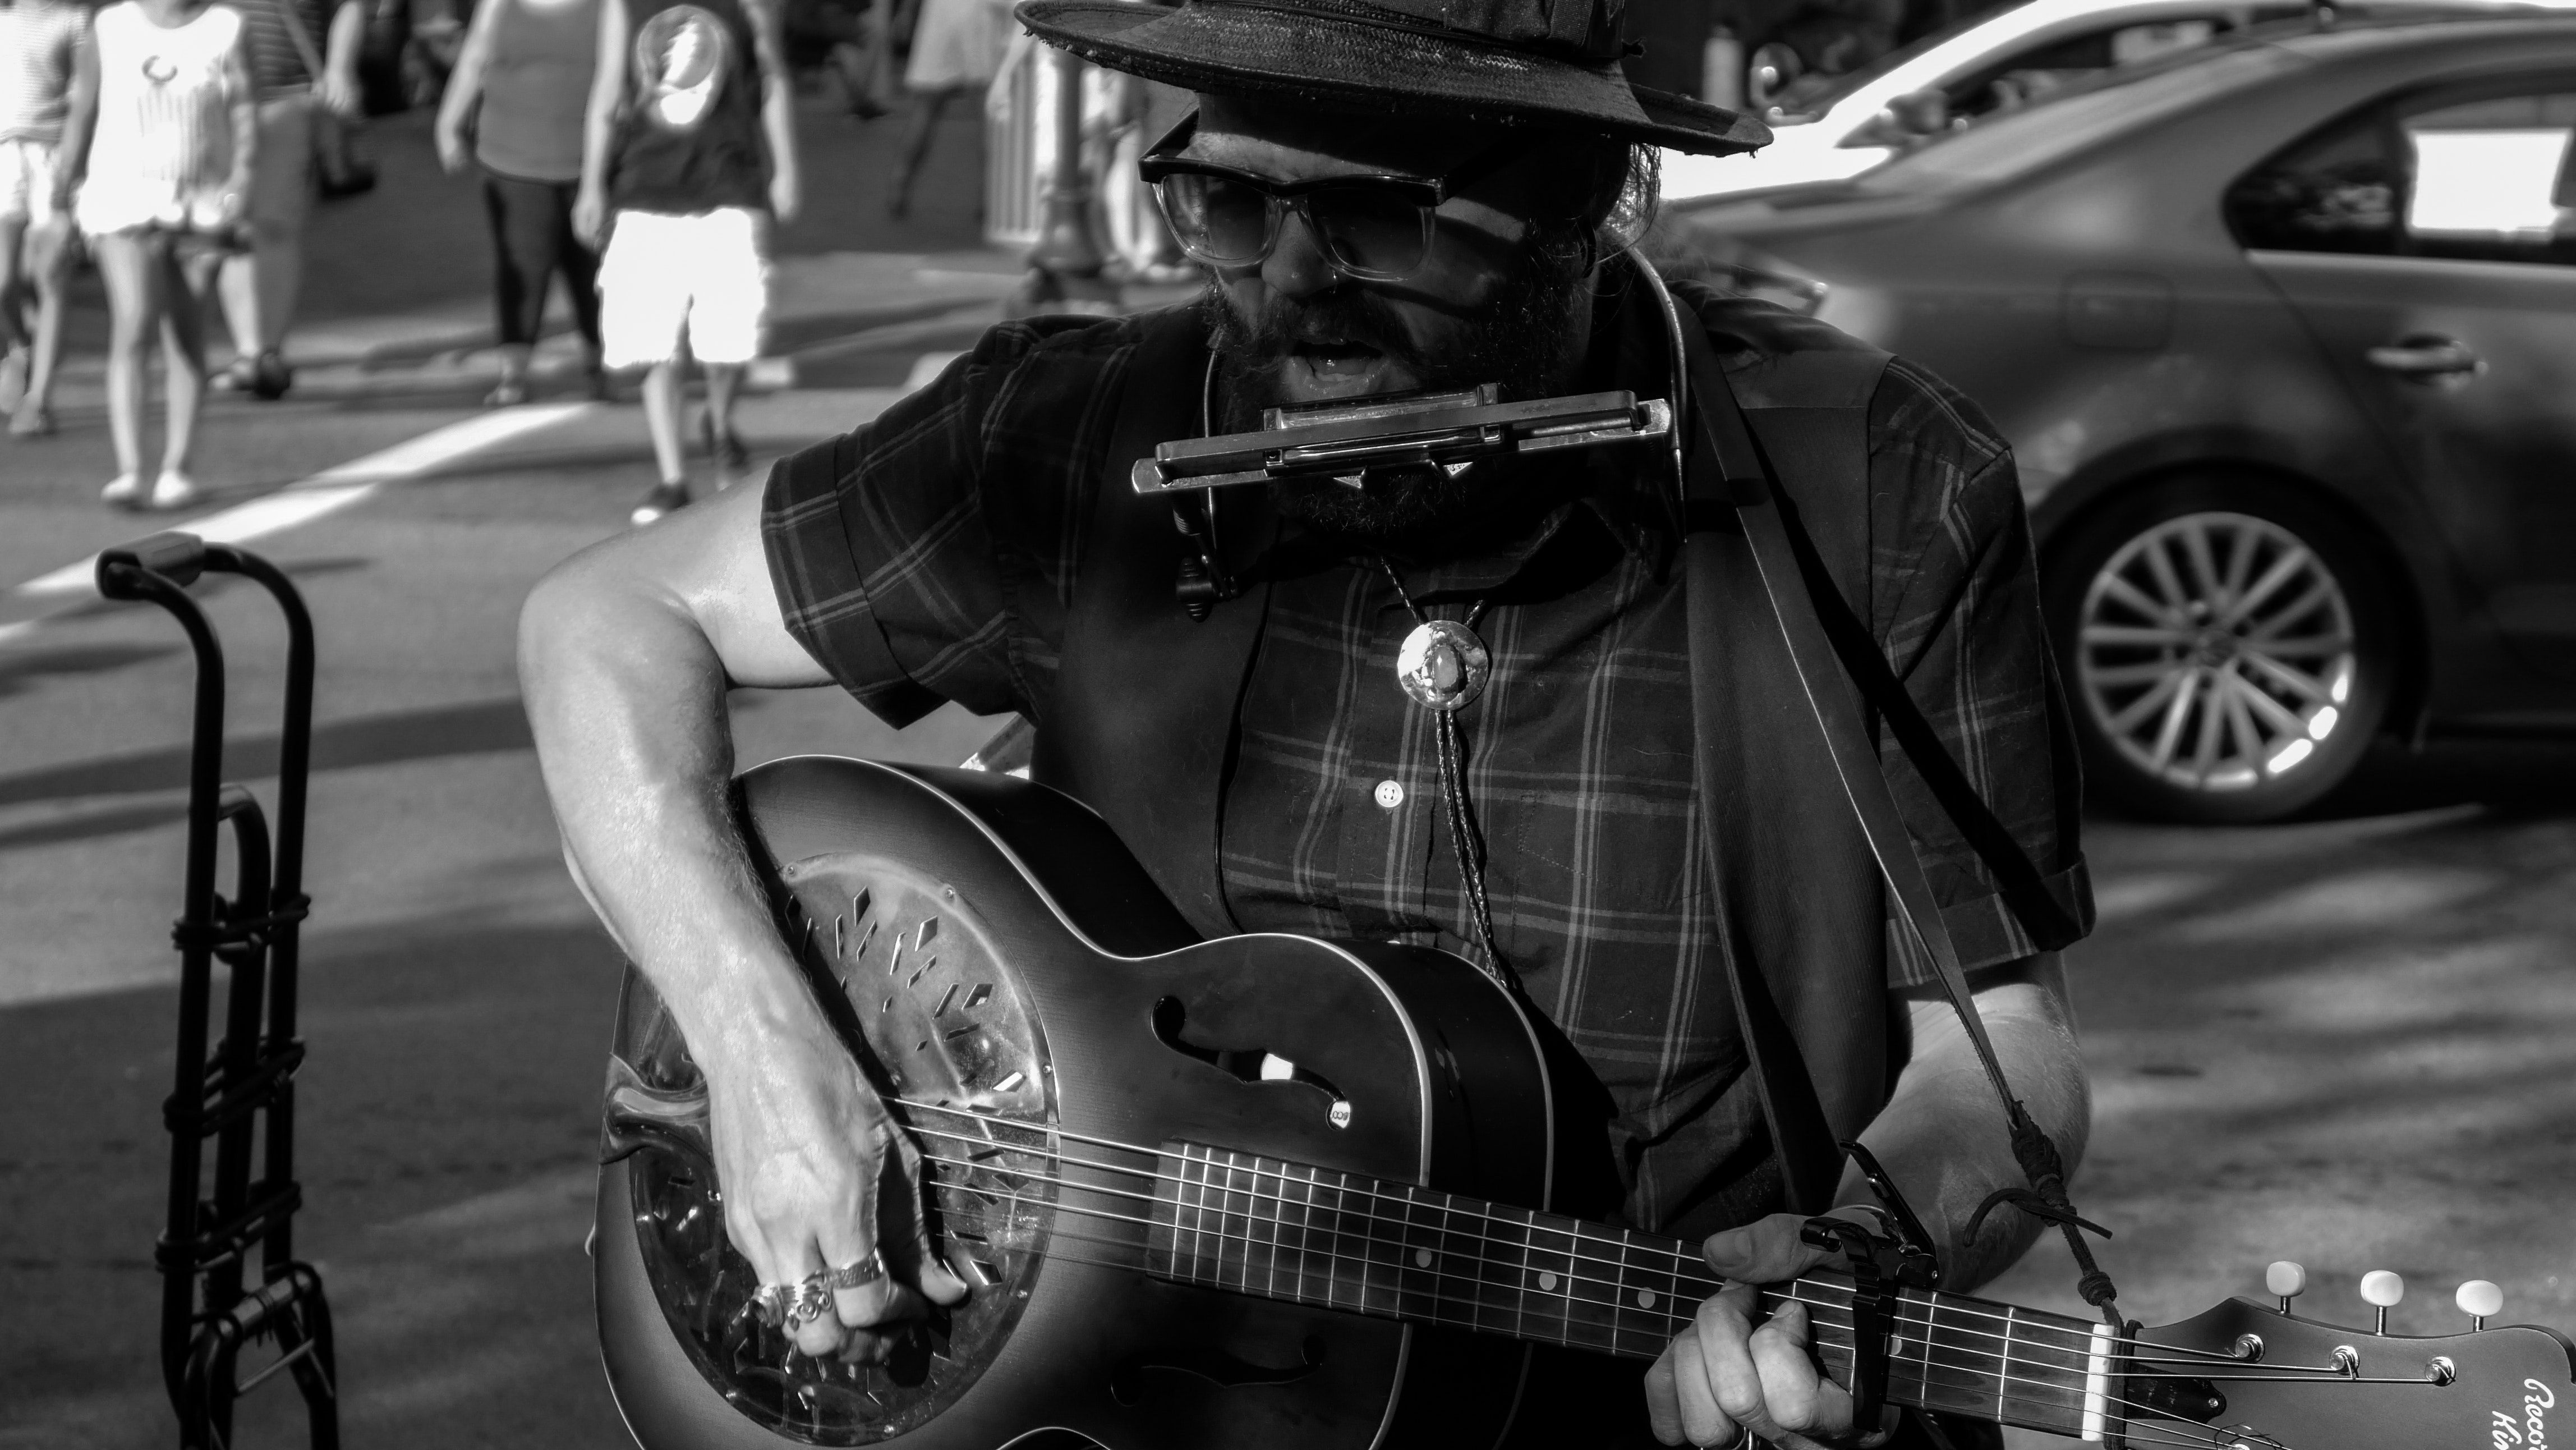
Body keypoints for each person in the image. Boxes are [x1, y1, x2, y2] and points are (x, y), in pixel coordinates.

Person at [518, 2, 2095, 1446]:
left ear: (1584, 194)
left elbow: (2002, 1055)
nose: (1286, 284)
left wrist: (1864, 1259)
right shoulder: (1074, 438)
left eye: (1372, 217)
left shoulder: (1868, 484)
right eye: (1226, 201)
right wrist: (762, 1052)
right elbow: (603, 623)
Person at [572, 0, 801, 526]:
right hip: (644, 188)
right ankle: (672, 478)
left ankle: (720, 424)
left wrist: (785, 167)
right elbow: (608, 91)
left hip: (729, 182)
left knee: (732, 334)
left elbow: (772, 81)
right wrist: (590, 185)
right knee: (653, 340)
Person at [54, 0, 256, 509]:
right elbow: (83, 108)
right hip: (122, 198)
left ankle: (177, 466)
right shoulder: (111, 25)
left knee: (185, 332)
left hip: (200, 201)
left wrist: (242, 180)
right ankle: (130, 469)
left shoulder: (227, 28)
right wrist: (61, 189)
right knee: (136, 317)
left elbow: (245, 109)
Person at [433, 0, 608, 407]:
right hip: (510, 155)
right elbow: (476, 54)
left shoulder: (607, 6)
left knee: (592, 268)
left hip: (589, 157)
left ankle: (598, 362)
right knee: (522, 265)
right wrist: (449, 123)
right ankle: (514, 371)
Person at [210, 0, 361, 401]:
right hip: (212, 96)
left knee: (274, 225)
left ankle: (267, 352)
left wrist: (340, 68)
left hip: (286, 96)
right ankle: (249, 352)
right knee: (229, 226)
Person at [0, 0, 89, 439]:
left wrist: (71, 171)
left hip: (53, 158)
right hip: (4, 155)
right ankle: (20, 347)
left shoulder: (74, 20)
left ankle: (38, 401)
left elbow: (84, 102)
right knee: (3, 280)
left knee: (50, 277)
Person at [883, 0, 1006, 217]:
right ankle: (991, 197)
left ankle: (899, 186)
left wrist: (906, 12)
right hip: (978, 14)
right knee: (987, 112)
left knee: (926, 108)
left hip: (940, 13)